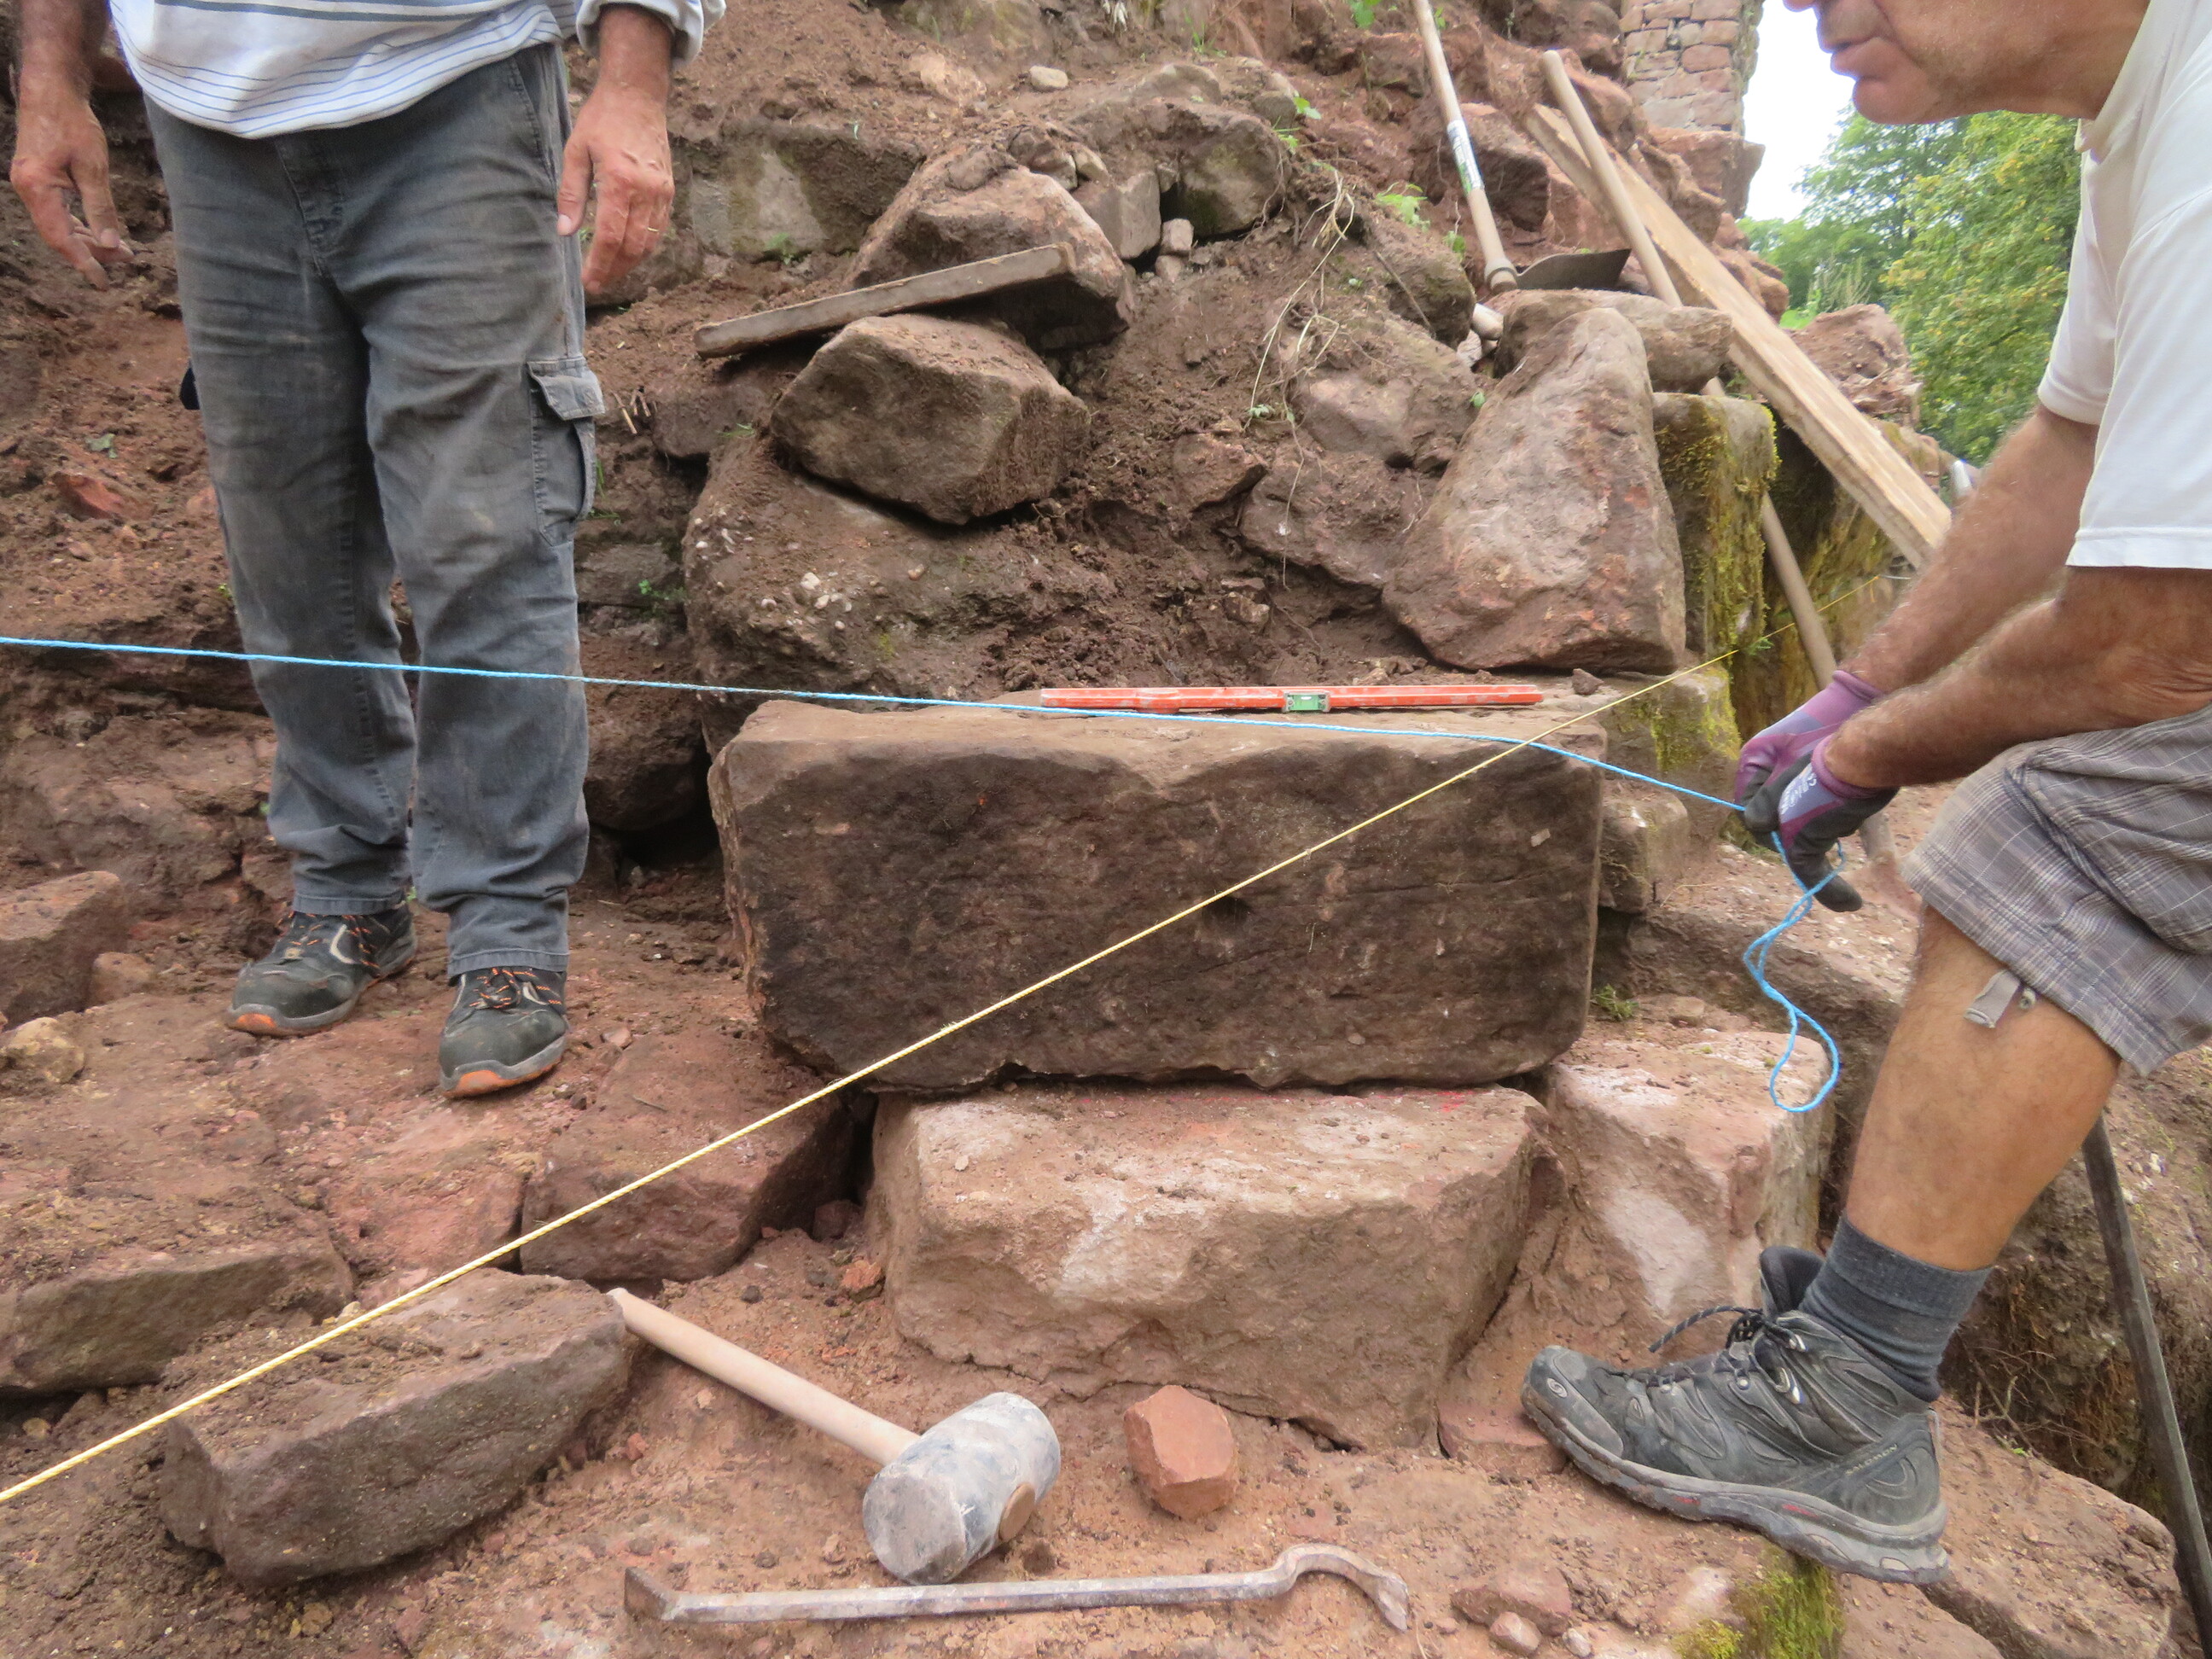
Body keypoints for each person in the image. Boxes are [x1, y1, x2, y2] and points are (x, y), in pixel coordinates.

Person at [1520, 0, 2212, 1584]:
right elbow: (2066, 446)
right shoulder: (2141, 117)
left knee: (2061, 848)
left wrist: (1870, 756)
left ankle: (1845, 1400)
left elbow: (2153, 648)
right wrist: (1858, 686)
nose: (1815, 12)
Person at [11, 0, 719, 1094]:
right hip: (208, 125)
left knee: (487, 531)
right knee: (286, 539)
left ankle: (507, 933)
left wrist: (631, 85)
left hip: (456, 90)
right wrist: (51, 79)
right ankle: (347, 891)